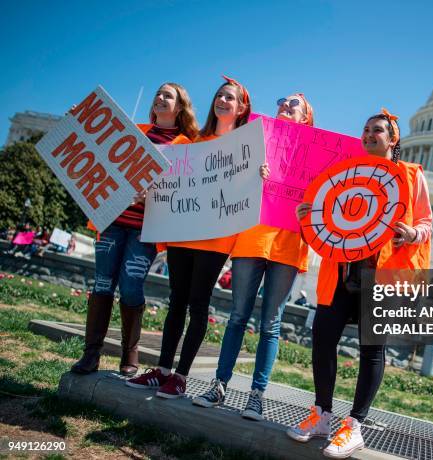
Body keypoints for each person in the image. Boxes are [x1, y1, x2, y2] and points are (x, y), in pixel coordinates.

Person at [286, 109, 432, 458]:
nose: (369, 135)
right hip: (341, 271)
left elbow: (426, 222)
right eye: (366, 129)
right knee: (322, 339)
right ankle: (321, 414)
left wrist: (412, 233)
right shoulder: (347, 173)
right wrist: (307, 215)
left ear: (393, 139)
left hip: (380, 275)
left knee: (371, 350)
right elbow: (328, 216)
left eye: (377, 131)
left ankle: (354, 426)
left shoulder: (412, 176)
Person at [126, 76, 251, 398]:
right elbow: (170, 184)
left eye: (229, 98)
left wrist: (258, 174)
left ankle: (181, 377)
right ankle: (163, 370)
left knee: (198, 303)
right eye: (219, 96)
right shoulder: (192, 143)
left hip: (215, 239)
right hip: (183, 233)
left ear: (241, 108)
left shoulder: (248, 148)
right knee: (176, 301)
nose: (222, 101)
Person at [193, 94, 315, 420]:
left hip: (287, 245)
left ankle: (256, 396)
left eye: (293, 105)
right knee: (237, 316)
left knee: (271, 325)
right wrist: (251, 175)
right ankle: (219, 385)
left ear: (305, 118)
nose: (285, 107)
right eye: (282, 102)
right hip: (251, 239)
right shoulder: (254, 138)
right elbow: (227, 183)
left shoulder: (313, 155)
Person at [71, 82, 197, 377]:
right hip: (113, 221)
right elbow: (98, 145)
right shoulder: (135, 133)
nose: (160, 98)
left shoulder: (188, 146)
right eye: (158, 94)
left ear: (179, 108)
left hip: (146, 230)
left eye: (169, 95)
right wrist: (81, 121)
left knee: (130, 286)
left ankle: (130, 353)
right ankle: (91, 355)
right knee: (102, 284)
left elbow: (187, 190)